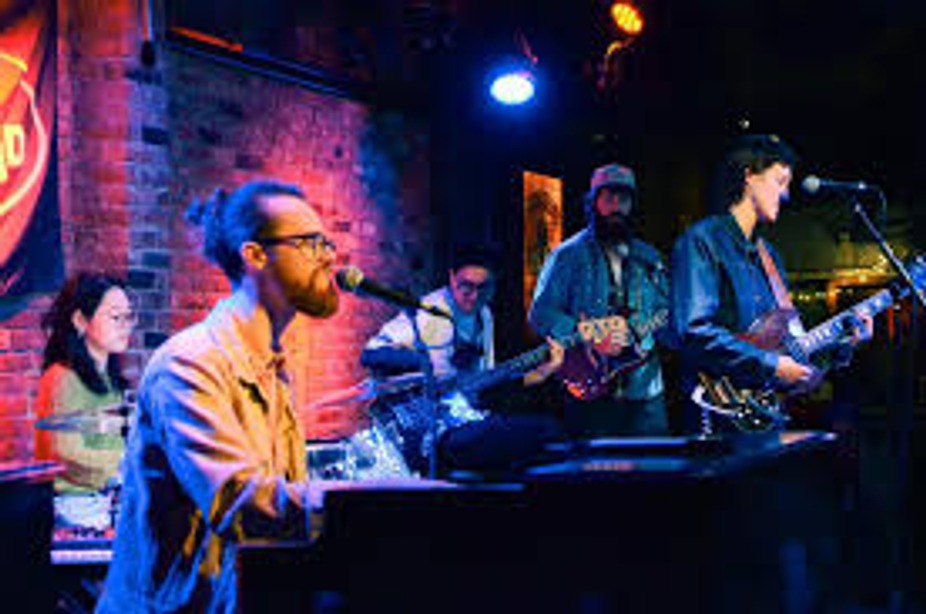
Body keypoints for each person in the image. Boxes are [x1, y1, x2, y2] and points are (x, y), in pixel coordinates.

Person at [96, 179, 339, 613]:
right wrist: (359, 506)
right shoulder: (189, 363)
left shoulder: (272, 367)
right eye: (310, 243)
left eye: (327, 243)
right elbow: (241, 504)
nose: (329, 257)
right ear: (255, 255)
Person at [668, 133, 872, 434]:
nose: (786, 194)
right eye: (780, 181)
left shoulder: (770, 257)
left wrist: (843, 345)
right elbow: (693, 331)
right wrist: (771, 365)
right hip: (714, 415)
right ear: (749, 176)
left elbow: (792, 351)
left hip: (764, 417)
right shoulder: (702, 241)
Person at [360, 244, 564, 476]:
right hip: (430, 426)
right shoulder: (431, 311)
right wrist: (423, 364)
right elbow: (371, 353)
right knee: (543, 431)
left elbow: (485, 382)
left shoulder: (484, 315)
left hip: (463, 420)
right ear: (451, 277)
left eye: (483, 288)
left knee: (539, 436)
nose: (474, 296)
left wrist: (541, 373)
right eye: (466, 286)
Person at [528, 162, 670, 438]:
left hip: (645, 391)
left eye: (624, 198)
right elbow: (540, 314)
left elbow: (666, 313)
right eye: (608, 197)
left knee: (653, 463)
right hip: (589, 388)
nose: (616, 206)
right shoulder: (568, 254)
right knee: (593, 464)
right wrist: (589, 333)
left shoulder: (649, 257)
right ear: (593, 202)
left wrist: (648, 328)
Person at [35, 272, 135, 516]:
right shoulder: (61, 377)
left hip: (107, 502)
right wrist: (127, 461)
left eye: (129, 316)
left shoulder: (111, 381)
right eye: (115, 316)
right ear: (80, 320)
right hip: (75, 508)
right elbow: (65, 453)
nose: (125, 325)